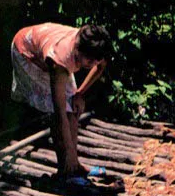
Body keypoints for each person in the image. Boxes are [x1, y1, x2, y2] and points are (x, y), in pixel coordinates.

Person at [11, 23, 110, 182]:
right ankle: (65, 170)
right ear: (78, 49)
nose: (92, 64)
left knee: (73, 104)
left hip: (54, 50)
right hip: (26, 52)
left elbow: (99, 68)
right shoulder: (61, 60)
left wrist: (80, 94)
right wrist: (70, 151)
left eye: (95, 60)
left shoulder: (97, 47)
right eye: (89, 60)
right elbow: (59, 112)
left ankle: (74, 166)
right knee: (60, 109)